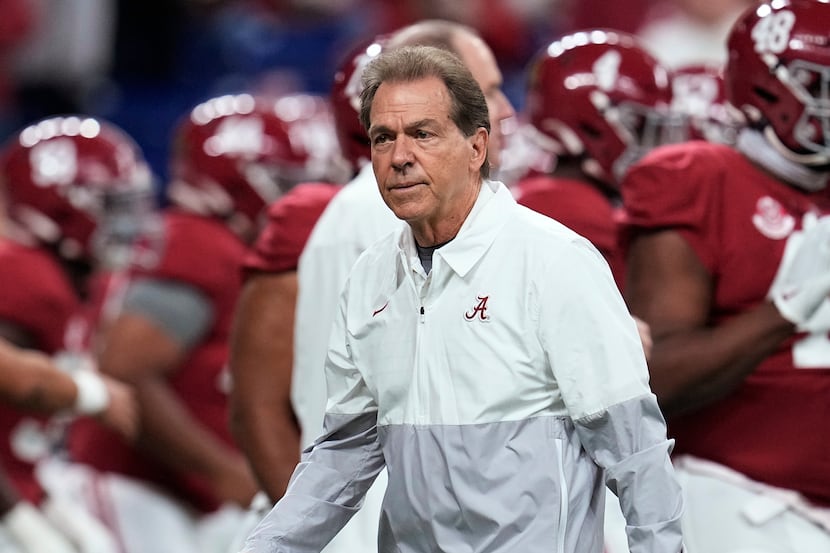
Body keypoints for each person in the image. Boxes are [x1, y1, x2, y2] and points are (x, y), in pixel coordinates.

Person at [241, 44, 684, 553]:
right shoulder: (370, 277)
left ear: (477, 148)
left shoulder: (554, 260)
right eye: (383, 138)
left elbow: (635, 451)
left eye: (422, 134)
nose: (400, 156)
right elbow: (344, 452)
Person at [53, 93, 335, 553]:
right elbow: (125, 366)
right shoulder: (203, 245)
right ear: (234, 180)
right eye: (286, 183)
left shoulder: (205, 241)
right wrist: (221, 469)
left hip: (174, 498)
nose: (301, 199)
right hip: (136, 488)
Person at [285, 20, 516, 553]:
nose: (504, 110)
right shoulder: (394, 206)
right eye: (487, 92)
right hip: (388, 503)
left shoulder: (379, 200)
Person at [619, 1, 830, 551]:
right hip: (739, 502)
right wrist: (781, 313)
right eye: (820, 84)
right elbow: (651, 380)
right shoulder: (703, 179)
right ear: (765, 88)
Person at [0, 114, 157, 553]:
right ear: (61, 209)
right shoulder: (22, 276)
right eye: (111, 207)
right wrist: (21, 521)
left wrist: (46, 507)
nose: (129, 226)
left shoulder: (66, 279)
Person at [516, 28, 682, 289]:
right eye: (639, 126)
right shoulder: (576, 211)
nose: (654, 147)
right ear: (591, 125)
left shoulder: (535, 184)